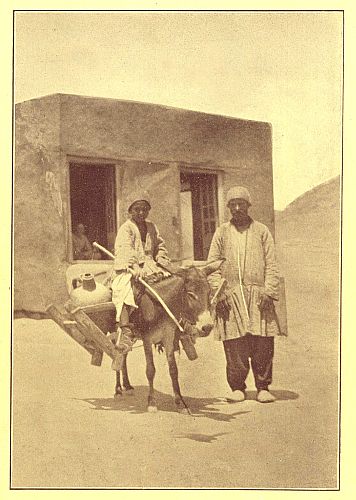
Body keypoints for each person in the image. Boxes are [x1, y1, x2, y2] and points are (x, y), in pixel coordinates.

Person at [207, 186, 281, 403]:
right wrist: (219, 293)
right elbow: (212, 265)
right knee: (234, 343)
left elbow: (272, 264)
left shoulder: (261, 231)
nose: (237, 208)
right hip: (229, 296)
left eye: (241, 204)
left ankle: (263, 387)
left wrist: (268, 291)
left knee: (262, 342)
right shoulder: (221, 232)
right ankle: (237, 387)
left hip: (259, 295)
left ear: (248, 206)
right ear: (229, 207)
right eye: (233, 204)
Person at [110, 194, 171, 367]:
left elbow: (160, 245)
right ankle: (126, 329)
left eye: (144, 209)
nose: (141, 212)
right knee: (124, 290)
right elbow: (124, 248)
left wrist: (162, 259)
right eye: (137, 209)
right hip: (130, 267)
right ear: (130, 211)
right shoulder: (126, 228)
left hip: (151, 266)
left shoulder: (151, 226)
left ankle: (180, 324)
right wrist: (133, 266)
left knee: (171, 285)